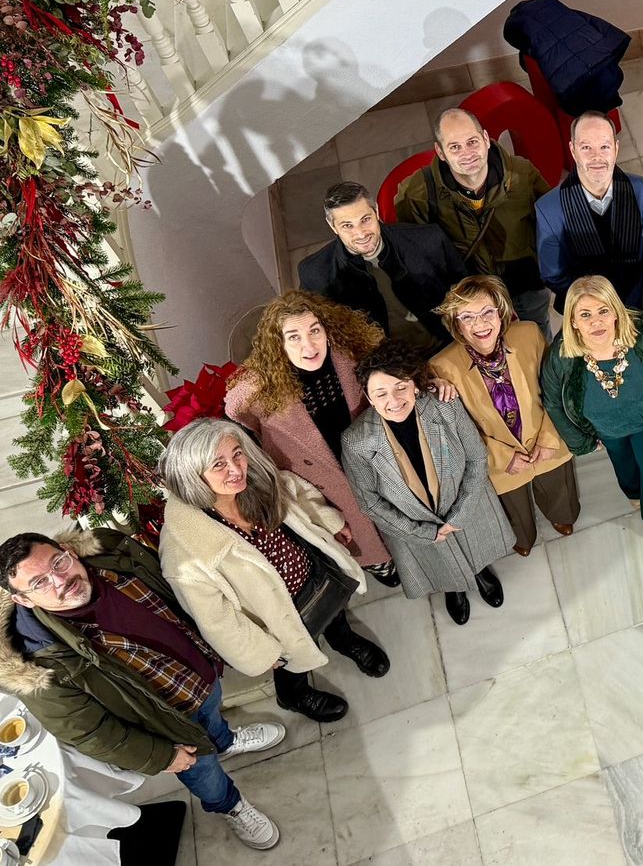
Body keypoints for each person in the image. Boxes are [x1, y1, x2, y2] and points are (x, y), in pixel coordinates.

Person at [0, 531, 285, 849]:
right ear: (23, 600)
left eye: (58, 563)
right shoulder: (38, 665)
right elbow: (90, 732)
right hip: (169, 725)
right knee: (202, 772)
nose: (60, 581)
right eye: (39, 583)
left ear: (69, 551)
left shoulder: (113, 556)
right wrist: (162, 756)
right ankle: (230, 806)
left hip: (198, 677)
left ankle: (226, 742)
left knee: (213, 716)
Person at [156, 420, 391, 724]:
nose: (236, 469)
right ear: (193, 476)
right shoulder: (184, 552)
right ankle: (293, 694)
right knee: (293, 662)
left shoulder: (255, 482)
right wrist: (261, 655)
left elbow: (297, 494)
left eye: (237, 454)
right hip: (276, 620)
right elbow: (217, 620)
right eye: (218, 464)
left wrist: (329, 522)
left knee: (333, 612)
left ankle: (343, 640)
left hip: (315, 579)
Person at [225, 290, 400, 587]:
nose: (308, 345)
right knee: (366, 537)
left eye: (314, 331)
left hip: (370, 459)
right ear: (279, 345)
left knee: (397, 523)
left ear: (327, 331)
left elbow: (395, 374)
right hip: (327, 479)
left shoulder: (352, 352)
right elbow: (236, 410)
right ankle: (381, 564)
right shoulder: (261, 392)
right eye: (293, 337)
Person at [342, 341, 516, 626]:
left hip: (463, 503)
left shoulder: (443, 405)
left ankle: (479, 572)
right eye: (381, 393)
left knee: (475, 545)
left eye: (401, 387)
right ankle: (453, 588)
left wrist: (460, 515)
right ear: (369, 398)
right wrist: (424, 533)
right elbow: (370, 502)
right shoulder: (356, 441)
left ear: (414, 385)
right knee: (441, 563)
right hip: (413, 524)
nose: (393, 400)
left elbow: (475, 456)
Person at [431, 274, 580, 555]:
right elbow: (457, 430)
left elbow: (558, 389)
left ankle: (562, 515)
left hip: (545, 440)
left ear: (501, 313)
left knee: (560, 490)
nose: (480, 324)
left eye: (487, 312)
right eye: (468, 317)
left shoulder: (529, 334)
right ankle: (523, 538)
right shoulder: (441, 367)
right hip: (497, 458)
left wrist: (549, 437)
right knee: (514, 513)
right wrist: (501, 458)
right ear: (456, 324)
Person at [540, 275, 643, 542]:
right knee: (623, 463)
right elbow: (553, 402)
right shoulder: (560, 355)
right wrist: (581, 441)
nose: (596, 322)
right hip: (605, 429)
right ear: (572, 321)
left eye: (603, 311)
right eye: (585, 315)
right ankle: (633, 493)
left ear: (616, 312)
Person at [395, 107, 555, 330]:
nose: (467, 153)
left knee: (537, 334)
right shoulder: (417, 194)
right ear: (440, 152)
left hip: (526, 283)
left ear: (486, 139)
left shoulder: (522, 174)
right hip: (471, 297)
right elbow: (415, 257)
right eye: (455, 147)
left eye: (472, 142)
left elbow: (551, 222)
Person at [298, 181, 468, 349]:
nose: (361, 233)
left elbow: (467, 294)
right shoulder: (315, 274)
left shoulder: (429, 240)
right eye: (347, 225)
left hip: (446, 346)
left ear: (376, 211)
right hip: (382, 363)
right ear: (333, 226)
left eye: (365, 219)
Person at [534, 112, 643, 311]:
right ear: (572, 150)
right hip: (589, 309)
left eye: (604, 147)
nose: (596, 157)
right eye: (586, 147)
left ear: (616, 148)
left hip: (641, 299)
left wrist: (638, 302)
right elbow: (554, 275)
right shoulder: (549, 210)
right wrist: (596, 308)